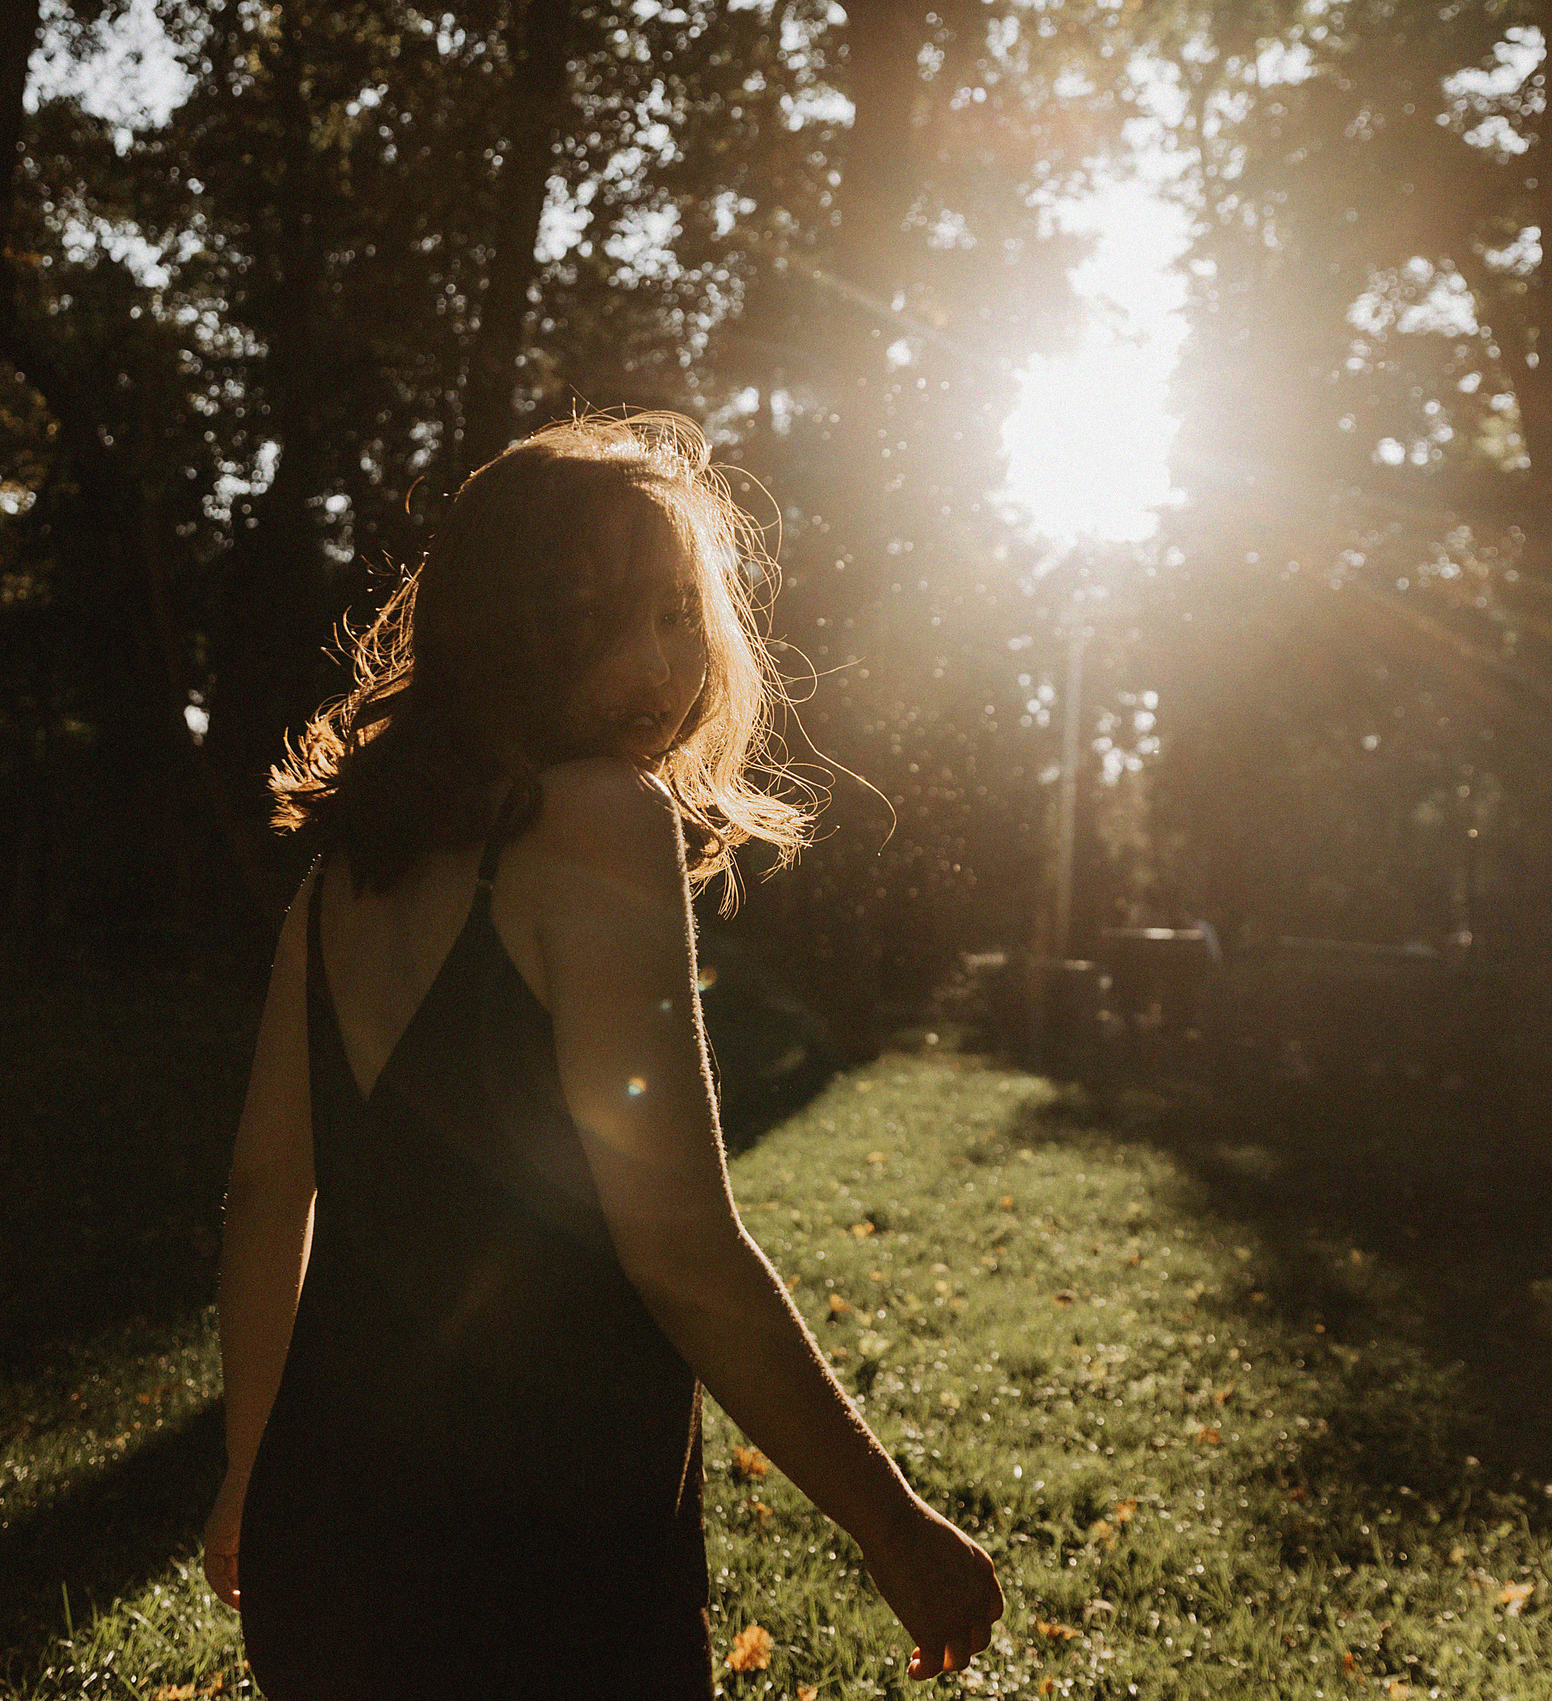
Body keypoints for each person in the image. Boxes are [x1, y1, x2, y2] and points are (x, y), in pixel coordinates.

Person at [198, 412, 1001, 1696]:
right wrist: (893, 1525)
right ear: (503, 626)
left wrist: (251, 1467)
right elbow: (677, 1242)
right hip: (535, 1553)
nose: (661, 662)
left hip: (322, 1532)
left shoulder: (340, 882)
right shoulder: (601, 816)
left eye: (680, 614)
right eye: (596, 613)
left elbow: (262, 1192)